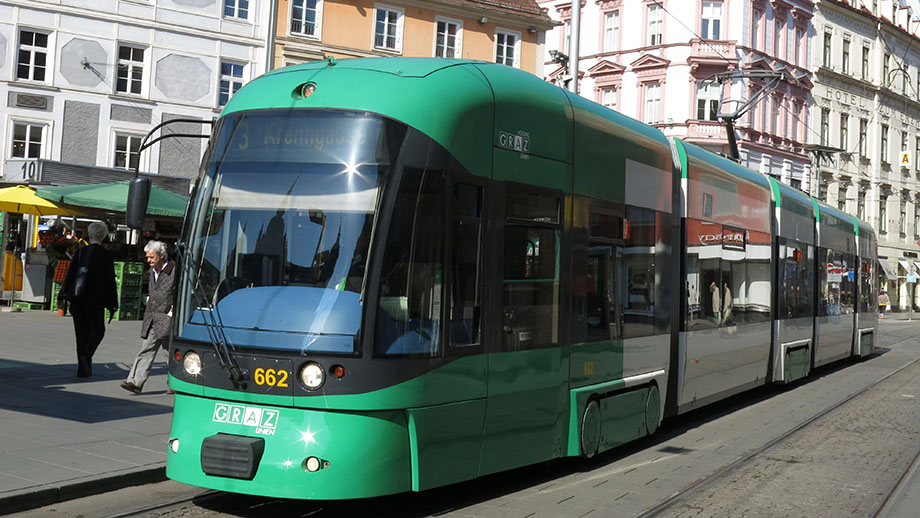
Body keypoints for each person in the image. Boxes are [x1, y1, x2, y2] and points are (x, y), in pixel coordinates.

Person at [60, 221, 118, 377]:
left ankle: (83, 368)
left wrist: (63, 294)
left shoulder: (80, 252)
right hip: (95, 300)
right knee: (98, 331)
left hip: (78, 299)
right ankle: (87, 356)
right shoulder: (106, 256)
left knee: (81, 334)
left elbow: (70, 275)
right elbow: (109, 280)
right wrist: (113, 302)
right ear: (104, 236)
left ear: (90, 234)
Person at [121, 241, 177, 394]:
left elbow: (180, 294)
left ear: (162, 255)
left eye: (152, 257)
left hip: (168, 319)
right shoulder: (152, 271)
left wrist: (172, 312)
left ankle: (176, 384)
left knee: (170, 353)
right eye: (148, 257)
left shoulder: (175, 271)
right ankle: (135, 382)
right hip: (153, 318)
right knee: (146, 349)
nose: (149, 260)